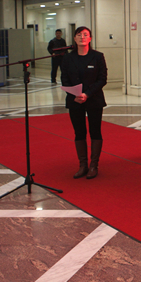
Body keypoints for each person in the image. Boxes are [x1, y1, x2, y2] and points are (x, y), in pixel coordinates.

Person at [61, 26, 108, 179]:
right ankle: (83, 165)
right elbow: (64, 79)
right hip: (74, 100)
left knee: (95, 131)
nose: (82, 37)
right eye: (79, 35)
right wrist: (74, 93)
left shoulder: (97, 56)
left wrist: (87, 94)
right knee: (79, 132)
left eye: (85, 35)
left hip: (94, 99)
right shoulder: (68, 58)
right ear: (74, 38)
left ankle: (94, 165)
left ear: (90, 38)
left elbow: (102, 79)